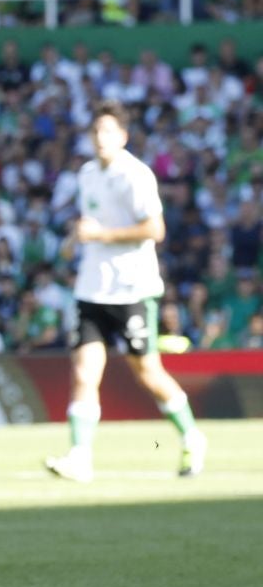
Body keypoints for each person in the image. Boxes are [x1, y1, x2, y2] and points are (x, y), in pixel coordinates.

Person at [45, 101, 207, 482]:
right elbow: (90, 223)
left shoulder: (136, 175)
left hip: (132, 288)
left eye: (107, 131)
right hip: (92, 289)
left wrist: (101, 235)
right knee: (84, 372)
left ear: (123, 136)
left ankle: (192, 436)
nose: (100, 138)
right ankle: (80, 457)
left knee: (147, 372)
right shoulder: (87, 174)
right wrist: (75, 239)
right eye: (95, 131)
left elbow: (155, 229)